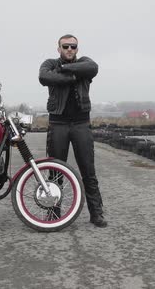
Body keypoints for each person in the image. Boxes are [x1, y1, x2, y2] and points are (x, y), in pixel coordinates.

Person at [38, 34, 107, 228]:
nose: (69, 49)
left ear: (77, 49)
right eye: (65, 46)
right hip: (57, 124)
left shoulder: (85, 63)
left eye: (73, 46)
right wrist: (73, 75)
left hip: (81, 124)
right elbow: (44, 76)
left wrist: (64, 70)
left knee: (88, 170)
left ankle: (96, 213)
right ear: (58, 48)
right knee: (56, 173)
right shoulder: (49, 63)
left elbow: (93, 68)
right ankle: (54, 214)